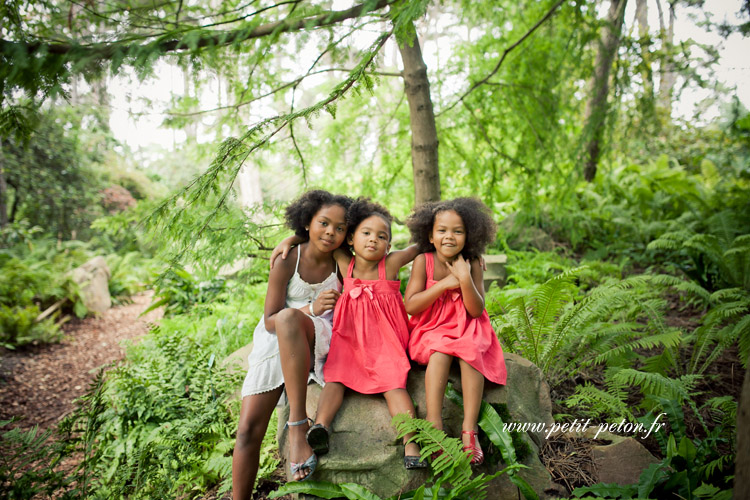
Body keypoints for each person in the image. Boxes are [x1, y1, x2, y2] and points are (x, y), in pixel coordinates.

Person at [232, 190, 352, 498]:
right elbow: (271, 318)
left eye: (340, 228)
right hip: (276, 338)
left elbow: (381, 261)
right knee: (246, 431)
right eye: (324, 223)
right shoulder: (288, 258)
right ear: (307, 221)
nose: (331, 232)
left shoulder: (343, 263)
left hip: (318, 340)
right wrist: (310, 308)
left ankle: (297, 425)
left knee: (289, 320)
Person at [305, 198, 427, 469]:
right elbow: (312, 234)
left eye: (381, 236)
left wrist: (471, 251)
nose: (373, 240)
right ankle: (321, 426)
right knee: (335, 377)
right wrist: (287, 242)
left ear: (389, 246)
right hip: (350, 342)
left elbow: (425, 245)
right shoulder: (344, 262)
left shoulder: (391, 264)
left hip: (386, 344)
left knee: (395, 383)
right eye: (366, 233)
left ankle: (411, 440)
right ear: (350, 239)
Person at [403, 197, 506, 466]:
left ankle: (469, 432)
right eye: (442, 230)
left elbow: (475, 310)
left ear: (468, 235)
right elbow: (411, 305)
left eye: (457, 231)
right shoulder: (422, 261)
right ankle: (434, 425)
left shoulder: (471, 263)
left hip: (466, 325)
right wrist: (444, 285)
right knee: (440, 351)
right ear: (430, 235)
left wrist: (464, 278)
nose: (449, 236)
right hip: (431, 326)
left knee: (471, 352)